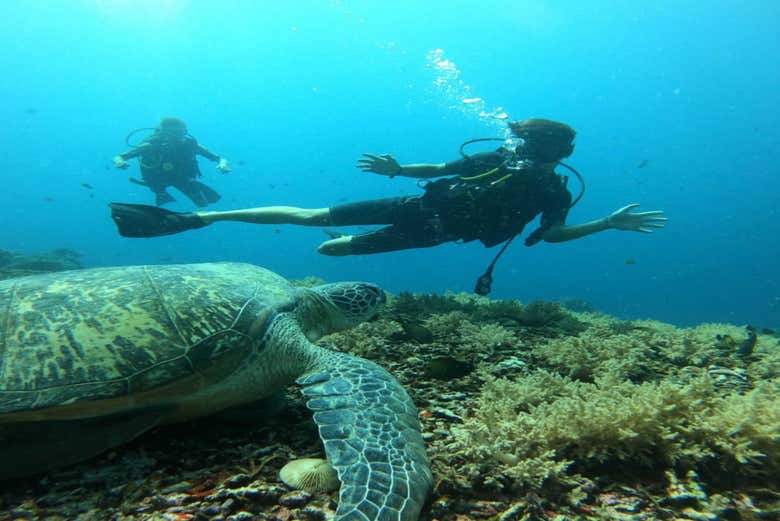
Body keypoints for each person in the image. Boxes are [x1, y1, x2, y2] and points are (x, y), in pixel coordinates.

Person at [109, 118, 666, 292]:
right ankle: (193, 218)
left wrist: (607, 224)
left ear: (545, 149)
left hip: (436, 230)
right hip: (416, 208)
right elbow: (439, 169)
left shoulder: (554, 190)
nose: (515, 145)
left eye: (524, 141)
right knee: (311, 216)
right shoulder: (495, 158)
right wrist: (400, 169)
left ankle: (201, 220)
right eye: (517, 140)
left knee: (331, 252)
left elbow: (556, 234)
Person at [113, 116, 231, 207]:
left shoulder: (190, 144)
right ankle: (161, 194)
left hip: (181, 177)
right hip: (157, 178)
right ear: (163, 133)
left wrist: (223, 164)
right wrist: (120, 162)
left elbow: (219, 158)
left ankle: (196, 207)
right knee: (159, 188)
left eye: (182, 133)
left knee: (203, 203)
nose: (179, 137)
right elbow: (120, 156)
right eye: (174, 133)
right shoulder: (151, 145)